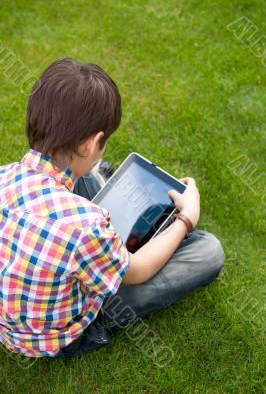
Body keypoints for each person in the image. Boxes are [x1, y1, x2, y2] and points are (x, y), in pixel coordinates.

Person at [0, 58, 225, 359]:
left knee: (86, 181)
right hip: (64, 334)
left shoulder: (5, 175)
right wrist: (186, 218)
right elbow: (138, 271)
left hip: (12, 323)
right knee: (209, 251)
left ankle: (102, 193)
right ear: (90, 145)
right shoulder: (87, 225)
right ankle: (129, 237)